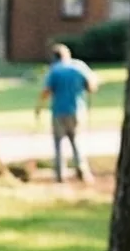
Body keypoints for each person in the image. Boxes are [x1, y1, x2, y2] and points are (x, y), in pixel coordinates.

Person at [40, 43, 96, 182]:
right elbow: (91, 86)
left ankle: (60, 174)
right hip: (77, 109)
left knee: (58, 143)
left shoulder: (54, 71)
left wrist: (40, 106)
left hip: (59, 110)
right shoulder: (79, 67)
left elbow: (46, 91)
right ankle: (82, 170)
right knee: (76, 139)